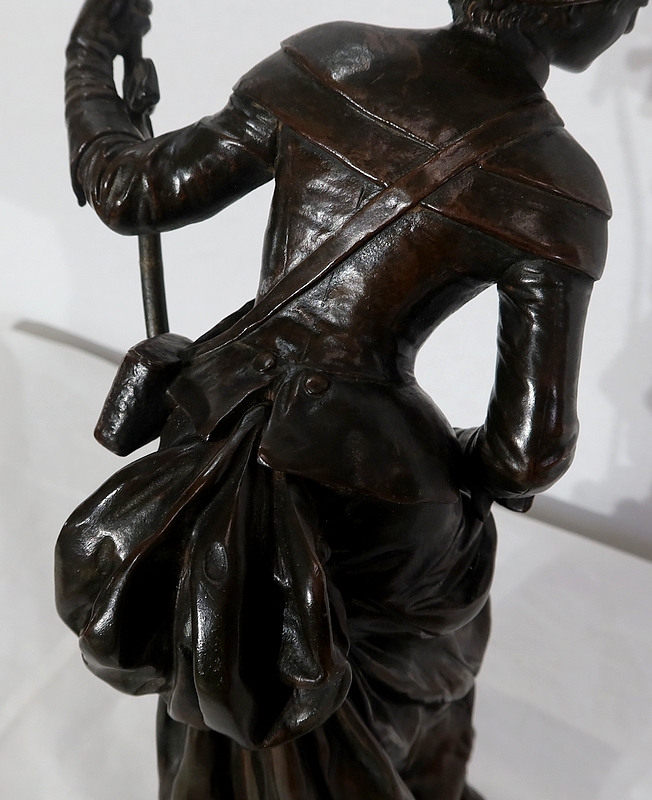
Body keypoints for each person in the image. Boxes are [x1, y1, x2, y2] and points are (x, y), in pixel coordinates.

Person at [55, 0, 645, 797]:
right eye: (630, 4)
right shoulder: (559, 183)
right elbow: (528, 455)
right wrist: (453, 465)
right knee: (402, 661)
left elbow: (130, 186)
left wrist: (92, 52)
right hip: (385, 488)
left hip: (217, 418)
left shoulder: (328, 59)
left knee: (229, 647)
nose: (631, 26)